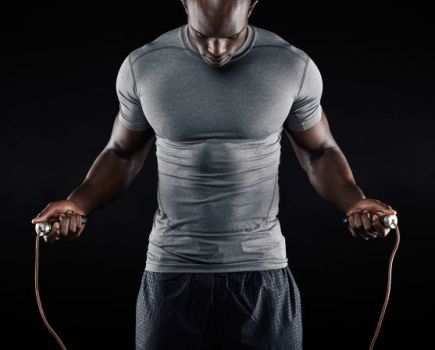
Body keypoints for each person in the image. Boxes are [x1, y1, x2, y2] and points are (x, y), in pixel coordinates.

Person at [31, 0, 397, 349]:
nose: (218, 50)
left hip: (261, 272)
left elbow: (319, 151)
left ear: (251, 7)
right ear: (185, 5)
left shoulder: (291, 65)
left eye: (230, 37)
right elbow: (122, 154)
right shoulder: (144, 66)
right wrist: (77, 203)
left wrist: (354, 200)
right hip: (171, 274)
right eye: (206, 36)